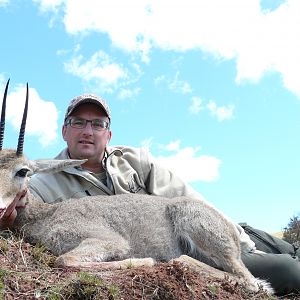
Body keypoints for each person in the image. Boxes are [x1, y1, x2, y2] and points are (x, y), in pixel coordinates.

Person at [0, 94, 299, 295]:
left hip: (210, 232)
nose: (87, 130)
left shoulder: (135, 160)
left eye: (97, 124)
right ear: (65, 131)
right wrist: (9, 216)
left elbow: (190, 201)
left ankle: (254, 271)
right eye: (78, 122)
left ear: (108, 134)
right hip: (188, 252)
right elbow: (14, 204)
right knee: (290, 271)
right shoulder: (43, 184)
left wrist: (242, 246)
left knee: (283, 255)